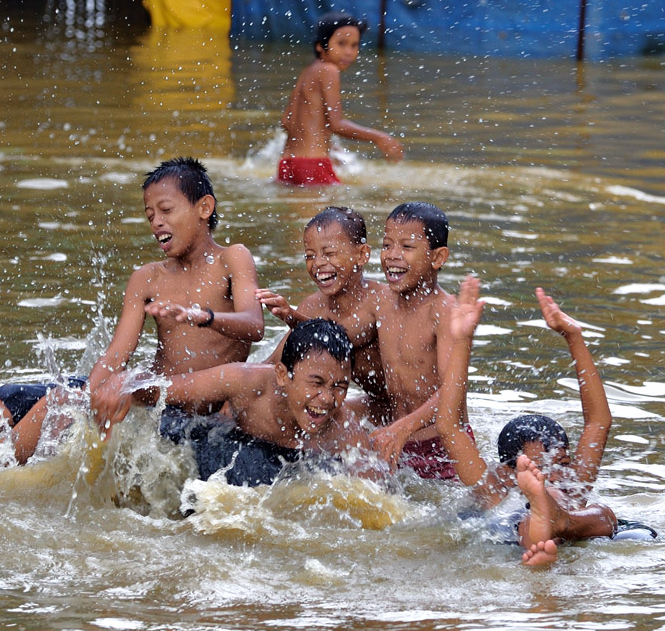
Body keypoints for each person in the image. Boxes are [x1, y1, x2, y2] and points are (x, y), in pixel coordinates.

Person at [0, 157, 265, 467]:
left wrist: (203, 316)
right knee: (17, 396)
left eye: (166, 210)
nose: (157, 222)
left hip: (180, 407)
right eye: (150, 215)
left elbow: (254, 325)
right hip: (144, 398)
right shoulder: (147, 277)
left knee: (59, 401)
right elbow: (116, 355)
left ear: (204, 208)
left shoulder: (232, 258)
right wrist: (84, 398)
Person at [432, 277, 618, 566]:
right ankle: (547, 530)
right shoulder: (494, 488)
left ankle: (557, 525)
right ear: (507, 474)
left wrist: (574, 337)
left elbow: (598, 423)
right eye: (539, 469)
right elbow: (449, 426)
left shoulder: (574, 485)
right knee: (522, 523)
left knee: (604, 514)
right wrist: (462, 341)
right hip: (515, 533)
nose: (556, 475)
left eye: (563, 464)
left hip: (570, 522)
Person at [92, 318, 420, 482]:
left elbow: (377, 496)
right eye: (316, 383)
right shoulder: (246, 382)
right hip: (220, 442)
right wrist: (125, 385)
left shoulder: (342, 430)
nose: (327, 399)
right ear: (282, 375)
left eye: (340, 387)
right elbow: (171, 389)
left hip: (284, 468)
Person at [256, 206, 391, 423]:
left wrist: (292, 317)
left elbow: (341, 337)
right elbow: (274, 365)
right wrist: (230, 388)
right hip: (372, 404)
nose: (318, 263)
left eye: (329, 253)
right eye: (310, 256)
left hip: (407, 410)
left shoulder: (381, 301)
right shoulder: (313, 305)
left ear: (361, 255)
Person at [373, 202, 474, 479]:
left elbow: (453, 389)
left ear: (438, 258)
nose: (392, 256)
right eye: (386, 245)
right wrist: (294, 318)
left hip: (443, 448)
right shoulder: (381, 301)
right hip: (397, 440)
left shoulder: (444, 312)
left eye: (406, 247)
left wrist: (404, 427)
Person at [278, 11, 403, 186]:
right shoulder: (329, 70)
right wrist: (379, 137)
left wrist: (323, 145)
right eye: (341, 44)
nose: (349, 52)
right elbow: (336, 124)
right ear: (320, 45)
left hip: (288, 164)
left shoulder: (309, 71)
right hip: (312, 165)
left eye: (354, 45)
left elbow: (286, 121)